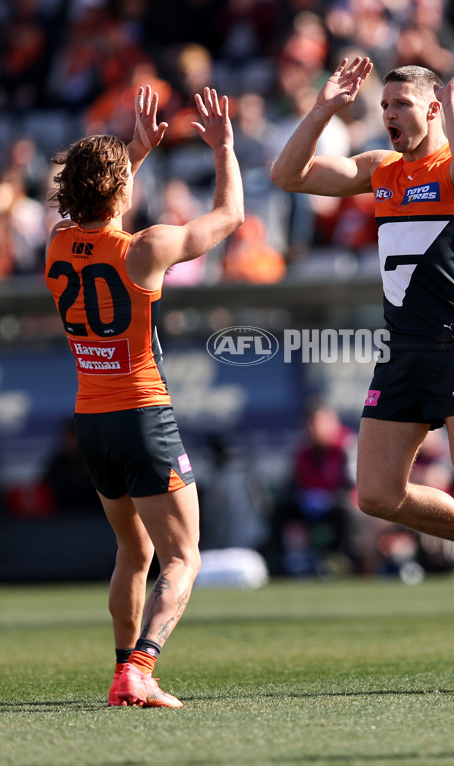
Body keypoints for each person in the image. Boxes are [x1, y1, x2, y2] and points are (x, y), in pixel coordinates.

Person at [271, 54, 454, 692]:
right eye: (384, 107)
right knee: (376, 494)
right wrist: (325, 107)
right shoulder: (381, 170)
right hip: (402, 351)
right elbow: (287, 175)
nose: (389, 116)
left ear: (432, 110)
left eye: (401, 105)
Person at [45, 84, 244, 707]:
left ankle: (119, 673)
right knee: (183, 557)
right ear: (121, 192)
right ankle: (141, 666)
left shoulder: (55, 244)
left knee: (132, 551)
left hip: (93, 421)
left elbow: (95, 205)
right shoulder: (146, 248)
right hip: (143, 414)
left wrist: (132, 151)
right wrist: (223, 149)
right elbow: (230, 217)